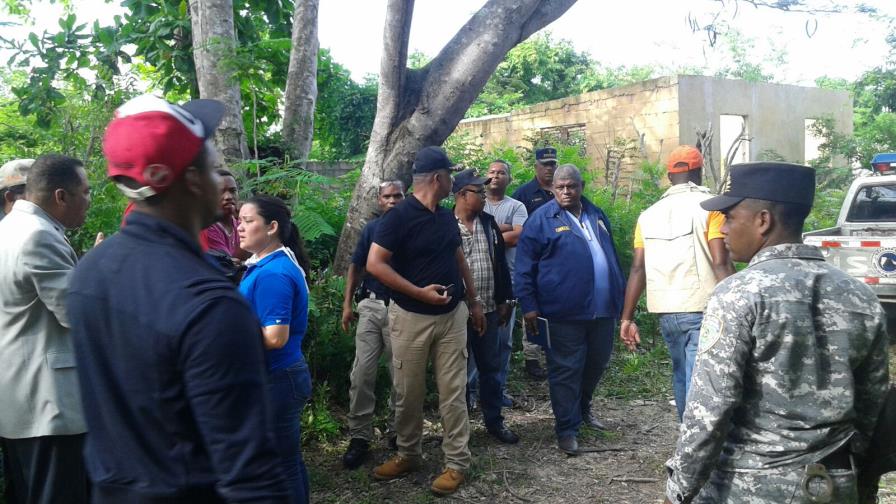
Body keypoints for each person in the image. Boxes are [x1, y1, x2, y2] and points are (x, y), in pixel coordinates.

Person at [66, 94, 290, 503]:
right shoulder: (210, 306)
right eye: (210, 166)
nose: (220, 182)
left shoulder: (89, 273)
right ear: (190, 179)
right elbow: (251, 477)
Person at [664, 162, 890, 504]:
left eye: (729, 217)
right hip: (835, 484)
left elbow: (710, 411)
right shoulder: (861, 296)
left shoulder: (738, 295)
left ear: (763, 221)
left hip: (751, 487)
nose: (722, 229)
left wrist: (678, 492)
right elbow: (873, 404)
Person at [367, 146, 485, 496]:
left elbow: (457, 256)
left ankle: (456, 463)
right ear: (438, 178)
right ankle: (408, 454)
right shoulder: (398, 217)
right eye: (450, 175)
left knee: (453, 393)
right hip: (410, 318)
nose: (453, 180)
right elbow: (375, 264)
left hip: (451, 317)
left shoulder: (444, 216)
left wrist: (473, 300)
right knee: (408, 392)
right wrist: (419, 293)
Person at [515, 164, 626, 455]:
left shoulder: (596, 214)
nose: (565, 192)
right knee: (565, 370)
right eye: (560, 187)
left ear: (582, 186)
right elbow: (524, 268)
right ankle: (566, 429)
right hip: (562, 312)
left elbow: (610, 255)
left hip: (602, 311)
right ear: (552, 188)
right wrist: (529, 307)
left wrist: (622, 298)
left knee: (596, 363)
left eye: (571, 186)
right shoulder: (541, 220)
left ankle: (583, 409)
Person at [619, 145, 735, 421]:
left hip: (666, 312)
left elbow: (637, 269)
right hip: (701, 309)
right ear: (699, 172)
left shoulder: (647, 216)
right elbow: (720, 261)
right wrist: (738, 305)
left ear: (670, 177)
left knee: (683, 373)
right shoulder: (712, 209)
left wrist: (626, 318)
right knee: (704, 380)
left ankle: (688, 437)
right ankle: (698, 446)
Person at [0, 154, 91, 504]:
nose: (88, 200)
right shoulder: (39, 236)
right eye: (85, 192)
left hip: (22, 402)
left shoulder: (10, 228)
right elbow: (77, 314)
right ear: (61, 196)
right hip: (50, 405)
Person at [237, 195, 313, 504]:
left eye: (248, 221)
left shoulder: (274, 274)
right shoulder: (266, 265)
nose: (239, 228)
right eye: (239, 221)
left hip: (278, 379)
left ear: (271, 227)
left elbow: (275, 337)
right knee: (288, 460)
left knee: (281, 467)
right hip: (280, 377)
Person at [341, 180, 404, 469]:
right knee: (361, 372)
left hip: (402, 308)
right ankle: (360, 436)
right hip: (371, 304)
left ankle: (397, 432)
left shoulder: (412, 227)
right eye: (387, 196)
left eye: (397, 195)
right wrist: (347, 304)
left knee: (399, 373)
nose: (392, 201)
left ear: (405, 197)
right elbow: (355, 266)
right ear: (379, 200)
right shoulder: (371, 229)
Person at [453, 168, 519, 444]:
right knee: (455, 371)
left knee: (490, 368)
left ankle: (494, 421)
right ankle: (459, 427)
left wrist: (505, 299)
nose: (483, 195)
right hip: (455, 313)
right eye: (478, 192)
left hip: (490, 309)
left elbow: (501, 264)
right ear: (460, 195)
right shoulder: (445, 225)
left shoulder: (489, 223)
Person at [481, 160, 528, 407]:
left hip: (506, 283)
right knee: (474, 340)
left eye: (502, 173)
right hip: (478, 282)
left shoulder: (517, 206)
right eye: (492, 172)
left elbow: (519, 236)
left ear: (509, 179)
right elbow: (469, 231)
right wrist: (504, 230)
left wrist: (489, 233)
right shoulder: (477, 201)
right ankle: (471, 392)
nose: (496, 176)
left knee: (503, 341)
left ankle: (498, 391)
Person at [511, 147, 558, 380]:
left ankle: (554, 354)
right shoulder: (525, 193)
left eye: (553, 164)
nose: (549, 168)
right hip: (533, 261)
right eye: (545, 165)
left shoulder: (561, 191)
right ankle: (532, 357)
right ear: (536, 167)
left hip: (558, 261)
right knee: (531, 308)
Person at [203, 167, 248, 259]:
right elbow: (228, 266)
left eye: (233, 191)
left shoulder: (240, 224)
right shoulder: (208, 228)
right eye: (221, 192)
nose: (228, 197)